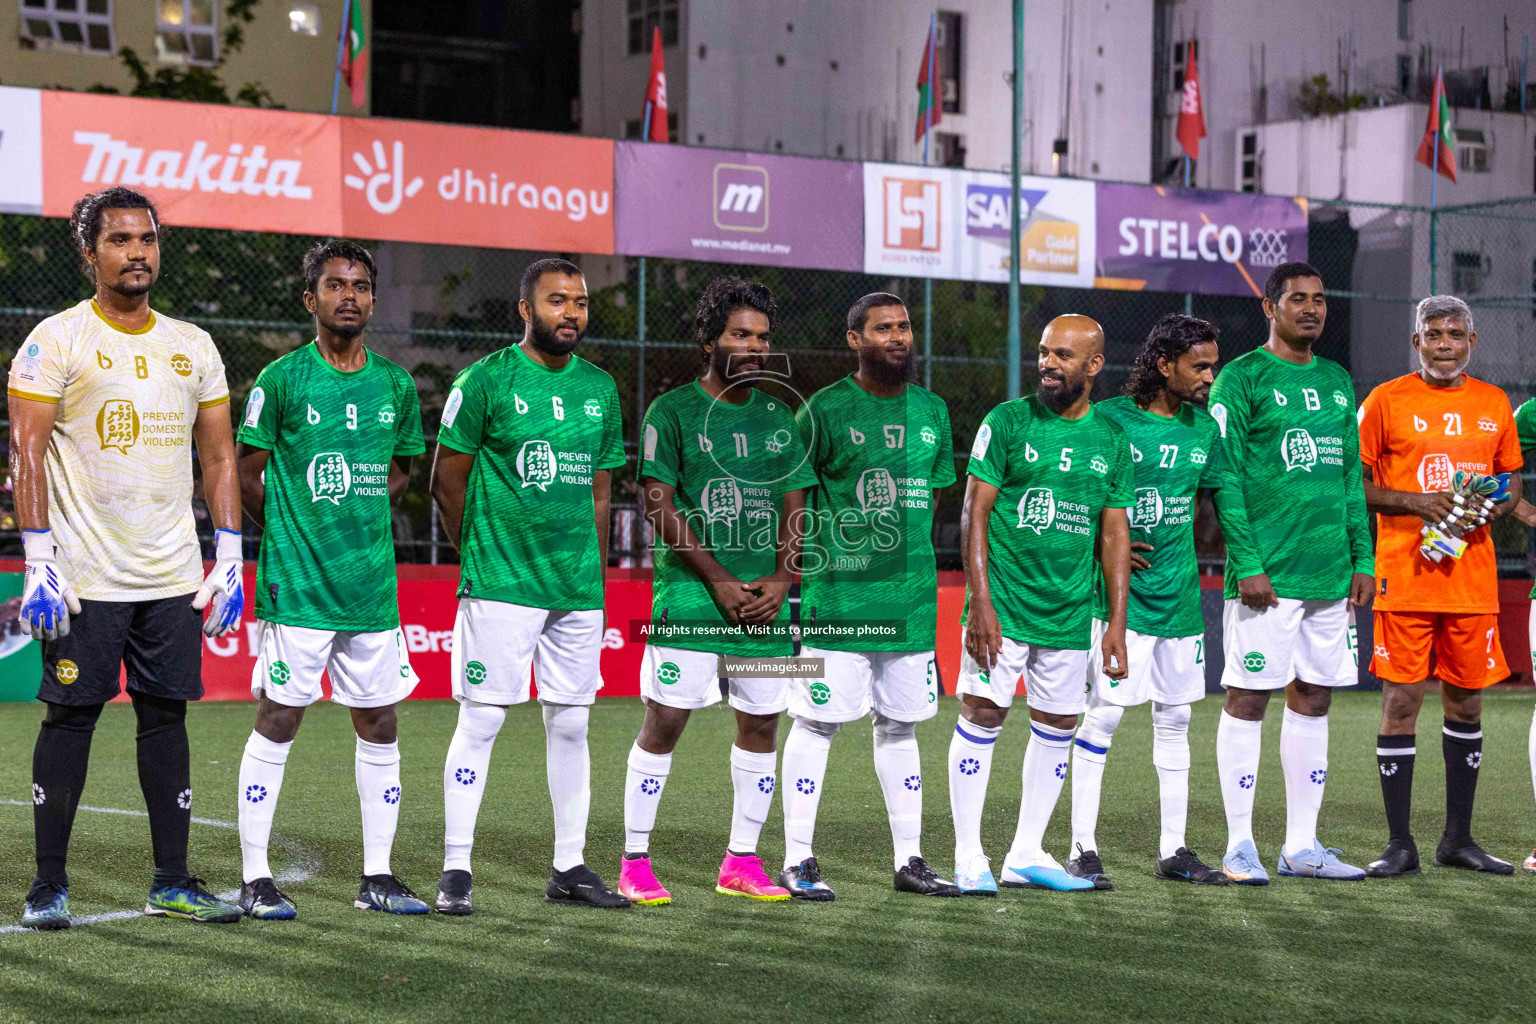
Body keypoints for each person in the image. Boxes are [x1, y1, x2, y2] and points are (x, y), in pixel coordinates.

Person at [9, 187, 244, 929]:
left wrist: (230, 555)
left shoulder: (193, 344)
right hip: (83, 577)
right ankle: (50, 884)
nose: (137, 252)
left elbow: (219, 457)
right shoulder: (57, 339)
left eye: (147, 239)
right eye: (119, 240)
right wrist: (38, 558)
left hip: (172, 573)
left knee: (165, 718)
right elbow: (27, 452)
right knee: (71, 717)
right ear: (89, 254)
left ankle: (172, 879)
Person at [235, 240, 429, 919]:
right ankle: (255, 877)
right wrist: (289, 527)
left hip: (371, 588)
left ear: (373, 300)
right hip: (301, 586)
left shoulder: (396, 385)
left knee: (379, 720)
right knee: (280, 716)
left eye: (360, 286)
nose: (349, 296)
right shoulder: (282, 380)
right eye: (335, 284)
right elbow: (245, 471)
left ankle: (377, 876)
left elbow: (403, 469)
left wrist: (365, 507)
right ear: (310, 298)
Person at [431, 258, 629, 912]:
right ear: (525, 309)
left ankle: (569, 866)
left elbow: (602, 492)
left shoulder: (600, 388)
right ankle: (456, 868)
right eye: (556, 301)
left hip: (575, 588)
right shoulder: (485, 381)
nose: (570, 312)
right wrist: (481, 556)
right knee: (483, 719)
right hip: (502, 583)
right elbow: (446, 479)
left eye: (579, 302)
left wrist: (591, 572)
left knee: (571, 724)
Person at [618, 276, 816, 905]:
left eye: (762, 338)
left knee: (762, 725)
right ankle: (635, 861)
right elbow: (657, 502)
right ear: (710, 341)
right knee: (667, 719)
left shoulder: (782, 417)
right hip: (693, 600)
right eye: (740, 335)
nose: (754, 347)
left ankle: (741, 861)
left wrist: (784, 578)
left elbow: (796, 506)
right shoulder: (671, 411)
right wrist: (721, 580)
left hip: (764, 604)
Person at [779, 293, 961, 899]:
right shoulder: (823, 410)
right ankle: (798, 858)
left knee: (901, 729)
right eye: (884, 328)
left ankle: (909, 860)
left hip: (909, 606)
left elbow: (930, 504)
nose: (898, 337)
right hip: (838, 605)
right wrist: (794, 577)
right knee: (816, 723)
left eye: (905, 327)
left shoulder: (933, 409)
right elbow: (795, 502)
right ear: (855, 339)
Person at [950, 313, 1133, 894]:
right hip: (1002, 605)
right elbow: (973, 511)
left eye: (1062, 355)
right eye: (1044, 352)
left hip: (1069, 612)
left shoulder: (1110, 438)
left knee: (1058, 723)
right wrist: (980, 600)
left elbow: (1114, 534)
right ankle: (968, 853)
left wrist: (1115, 626)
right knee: (983, 715)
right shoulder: (1007, 421)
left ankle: (1025, 853)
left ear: (1094, 365)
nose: (1048, 363)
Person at [1208, 261, 1374, 884]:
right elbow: (1223, 476)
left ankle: (1302, 846)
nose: (1312, 308)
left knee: (1315, 698)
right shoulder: (1242, 377)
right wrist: (1246, 561)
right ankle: (1239, 845)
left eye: (1320, 299)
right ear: (1270, 308)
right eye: (1298, 299)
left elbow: (1350, 478)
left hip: (1330, 573)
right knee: (1248, 698)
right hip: (1267, 578)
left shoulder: (1336, 380)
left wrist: (1364, 557)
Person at [1358, 294, 1520, 877]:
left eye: (1455, 334)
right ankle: (1399, 845)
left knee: (1468, 702)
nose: (1445, 344)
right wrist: (1416, 503)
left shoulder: (1495, 402)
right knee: (1401, 702)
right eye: (1433, 334)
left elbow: (1511, 484)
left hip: (1471, 582)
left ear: (1471, 342)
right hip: (1404, 575)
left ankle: (1459, 840)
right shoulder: (1385, 401)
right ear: (1417, 342)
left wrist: (1487, 507)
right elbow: (1355, 485)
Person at [1066, 314, 1229, 888]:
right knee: (1105, 714)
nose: (1211, 375)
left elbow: (1220, 504)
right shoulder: (1109, 421)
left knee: (1177, 718)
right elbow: (1071, 497)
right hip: (1118, 605)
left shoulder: (1204, 430)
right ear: (1164, 365)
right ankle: (1082, 847)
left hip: (1180, 601)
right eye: (1200, 365)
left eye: (1213, 365)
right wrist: (1096, 547)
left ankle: (1174, 848)